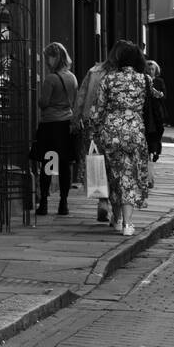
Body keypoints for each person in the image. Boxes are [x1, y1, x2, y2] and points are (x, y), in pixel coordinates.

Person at [89, 40, 151, 235]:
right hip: (135, 132)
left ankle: (116, 218)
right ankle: (127, 223)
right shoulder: (144, 80)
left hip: (111, 133)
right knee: (130, 177)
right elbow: (156, 102)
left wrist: (94, 131)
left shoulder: (108, 79)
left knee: (114, 176)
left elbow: (97, 110)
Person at [72, 47, 116, 223]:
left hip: (93, 125)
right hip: (115, 124)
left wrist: (76, 119)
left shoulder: (94, 71)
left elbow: (81, 96)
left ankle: (102, 202)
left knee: (97, 162)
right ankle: (115, 204)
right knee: (115, 164)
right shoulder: (121, 75)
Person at [34, 42, 78, 216]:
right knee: (65, 165)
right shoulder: (72, 77)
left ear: (54, 57)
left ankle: (43, 202)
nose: (46, 61)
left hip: (51, 126)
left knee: (48, 165)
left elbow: (43, 103)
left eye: (47, 58)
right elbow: (74, 100)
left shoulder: (51, 79)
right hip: (66, 125)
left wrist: (42, 101)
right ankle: (63, 203)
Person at [144, 59, 168, 194]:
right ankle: (148, 173)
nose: (150, 71)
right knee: (149, 140)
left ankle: (156, 150)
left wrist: (160, 95)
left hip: (157, 114)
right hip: (148, 115)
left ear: (156, 70)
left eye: (152, 69)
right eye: (148, 69)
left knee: (157, 134)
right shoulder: (144, 81)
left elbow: (164, 96)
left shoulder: (159, 82)